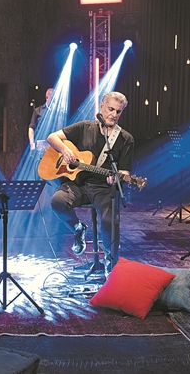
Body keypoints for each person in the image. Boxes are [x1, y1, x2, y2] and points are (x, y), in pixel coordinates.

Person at [46, 91, 134, 272]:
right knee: (57, 202)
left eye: (118, 111)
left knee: (110, 221)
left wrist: (116, 178)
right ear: (102, 107)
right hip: (78, 184)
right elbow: (52, 137)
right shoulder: (84, 127)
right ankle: (77, 228)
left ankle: (110, 265)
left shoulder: (126, 139)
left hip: (103, 188)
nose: (114, 114)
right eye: (110, 109)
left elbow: (124, 171)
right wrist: (64, 150)